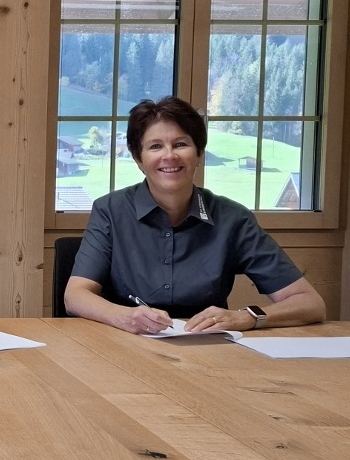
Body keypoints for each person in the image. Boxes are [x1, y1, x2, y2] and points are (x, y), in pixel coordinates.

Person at [63, 96, 326, 335]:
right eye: (155, 146)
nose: (169, 156)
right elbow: (75, 295)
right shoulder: (110, 210)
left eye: (181, 144)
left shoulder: (233, 219)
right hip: (124, 345)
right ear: (138, 159)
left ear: (199, 153)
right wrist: (125, 317)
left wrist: (246, 317)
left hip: (209, 349)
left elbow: (310, 303)